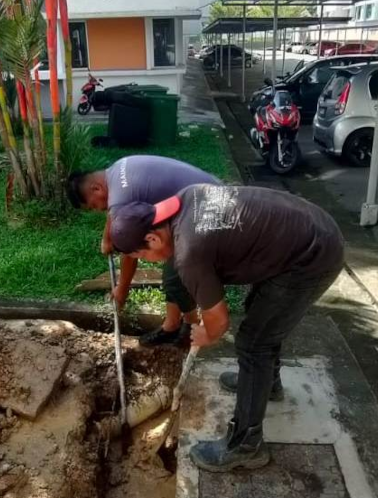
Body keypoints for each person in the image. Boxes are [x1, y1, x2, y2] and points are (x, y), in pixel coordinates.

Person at [108, 184, 346, 471]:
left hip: (312, 257)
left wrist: (206, 334)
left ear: (152, 238)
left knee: (254, 342)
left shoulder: (189, 253)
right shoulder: (184, 199)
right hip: (307, 231)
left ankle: (246, 446)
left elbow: (219, 322)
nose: (148, 261)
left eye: (141, 256)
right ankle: (266, 383)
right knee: (261, 315)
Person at [67, 156, 220, 346]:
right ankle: (171, 325)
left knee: (174, 278)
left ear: (96, 188)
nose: (97, 209)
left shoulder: (119, 197)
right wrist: (107, 238)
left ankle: (190, 326)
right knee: (172, 270)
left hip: (211, 210)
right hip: (206, 194)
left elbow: (129, 250)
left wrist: (122, 290)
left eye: (93, 206)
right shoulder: (116, 170)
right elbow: (114, 209)